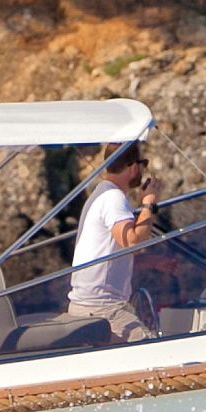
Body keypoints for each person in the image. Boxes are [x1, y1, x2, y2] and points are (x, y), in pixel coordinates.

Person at [67, 144, 159, 338]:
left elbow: (111, 253)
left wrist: (157, 264)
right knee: (153, 351)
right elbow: (133, 243)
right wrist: (149, 203)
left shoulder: (102, 194)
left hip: (90, 304)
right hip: (102, 308)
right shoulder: (113, 198)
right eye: (143, 164)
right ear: (133, 167)